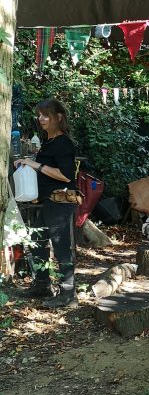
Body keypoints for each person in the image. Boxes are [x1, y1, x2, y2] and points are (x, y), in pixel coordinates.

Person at [14, 99, 78, 309]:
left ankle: (68, 293)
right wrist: (27, 163)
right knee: (38, 240)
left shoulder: (63, 142)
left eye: (45, 115)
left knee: (61, 246)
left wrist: (35, 164)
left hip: (60, 200)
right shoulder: (49, 141)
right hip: (47, 201)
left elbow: (66, 176)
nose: (40, 119)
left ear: (58, 117)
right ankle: (42, 285)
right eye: (39, 115)